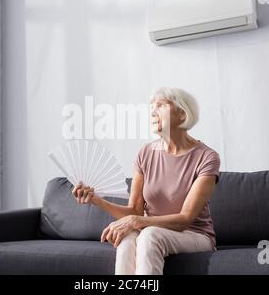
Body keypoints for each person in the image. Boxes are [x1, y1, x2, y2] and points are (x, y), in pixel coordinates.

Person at [72, 87, 221, 275]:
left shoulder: (207, 157)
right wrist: (96, 200)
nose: (152, 112)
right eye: (152, 107)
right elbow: (134, 210)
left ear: (182, 115)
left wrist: (136, 220)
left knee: (150, 235)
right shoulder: (145, 153)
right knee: (127, 238)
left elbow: (185, 220)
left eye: (160, 106)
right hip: (152, 229)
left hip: (195, 235)